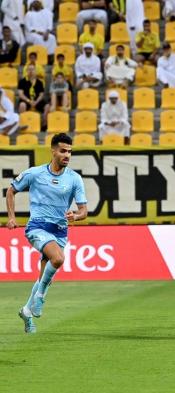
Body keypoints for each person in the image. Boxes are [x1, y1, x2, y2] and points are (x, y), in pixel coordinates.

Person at [8, 133, 88, 334]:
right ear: (53, 151)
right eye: (63, 151)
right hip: (38, 227)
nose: (67, 155)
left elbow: (84, 211)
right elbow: (11, 191)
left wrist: (75, 217)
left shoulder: (74, 179)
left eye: (69, 151)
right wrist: (11, 217)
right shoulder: (35, 174)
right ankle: (41, 297)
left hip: (60, 232)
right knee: (58, 259)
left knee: (45, 275)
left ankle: (26, 311)